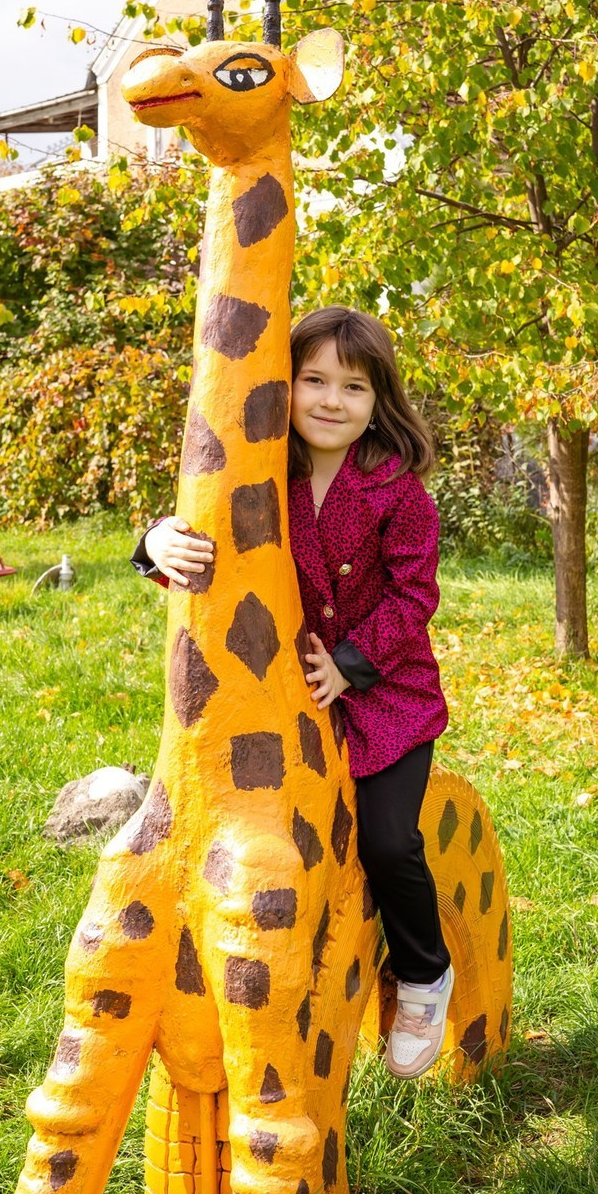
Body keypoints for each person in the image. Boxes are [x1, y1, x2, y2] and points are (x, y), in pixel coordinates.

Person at [132, 305, 454, 1079]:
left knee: (386, 839)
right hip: (288, 693)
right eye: (313, 379)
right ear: (285, 385)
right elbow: (200, 522)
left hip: (385, 696)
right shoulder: (258, 468)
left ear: (381, 401)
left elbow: (414, 600)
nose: (331, 400)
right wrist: (153, 542)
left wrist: (350, 662)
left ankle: (423, 972)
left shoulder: (398, 492)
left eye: (354, 385)